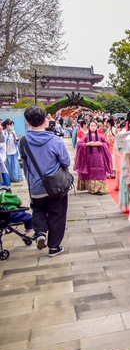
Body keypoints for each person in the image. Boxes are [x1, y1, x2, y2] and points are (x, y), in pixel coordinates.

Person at [19, 106, 70, 257]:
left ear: (28, 122)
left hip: (35, 185)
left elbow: (25, 163)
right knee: (57, 215)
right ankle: (54, 247)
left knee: (38, 210)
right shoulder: (55, 140)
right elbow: (66, 162)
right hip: (55, 186)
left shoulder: (23, 141)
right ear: (45, 120)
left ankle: (40, 232)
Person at [74, 120, 112, 195]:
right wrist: (87, 144)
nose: (93, 127)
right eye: (92, 126)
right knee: (91, 171)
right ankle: (92, 188)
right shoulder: (86, 136)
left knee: (100, 170)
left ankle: (101, 188)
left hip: (99, 157)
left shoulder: (101, 136)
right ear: (89, 127)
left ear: (97, 127)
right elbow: (79, 144)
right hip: (89, 157)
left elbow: (107, 143)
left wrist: (101, 144)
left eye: (95, 126)